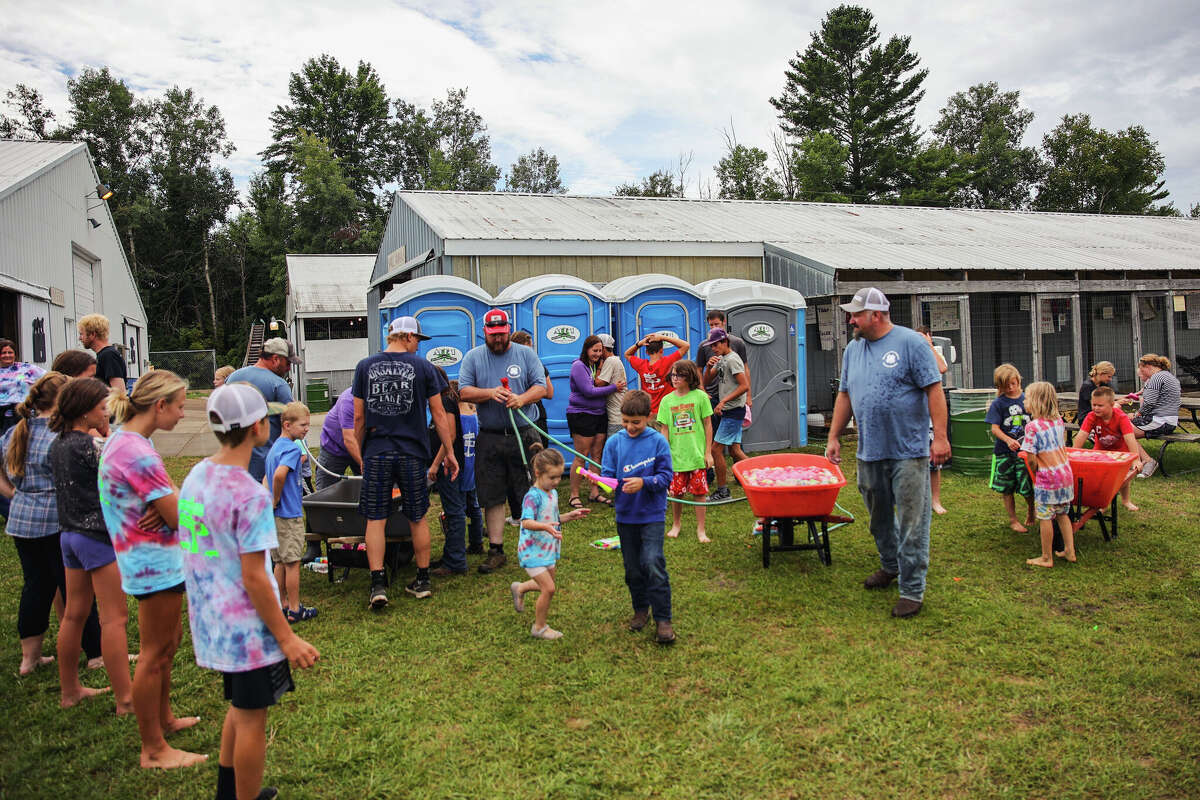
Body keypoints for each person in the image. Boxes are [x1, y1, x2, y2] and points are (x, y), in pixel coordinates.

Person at [178, 383, 319, 800]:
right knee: (252, 718)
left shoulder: (196, 475)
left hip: (211, 620)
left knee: (239, 708)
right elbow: (256, 576)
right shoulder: (251, 495)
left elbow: (192, 545)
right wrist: (286, 636)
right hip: (248, 629)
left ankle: (228, 792)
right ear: (260, 426)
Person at [100, 370, 205, 768]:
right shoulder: (137, 452)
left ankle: (164, 720)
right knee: (153, 652)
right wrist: (182, 504)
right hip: (152, 564)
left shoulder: (127, 441)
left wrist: (172, 503)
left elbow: (169, 507)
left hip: (155, 560)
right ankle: (154, 750)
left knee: (169, 644)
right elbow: (179, 516)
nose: (182, 414)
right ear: (160, 405)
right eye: (179, 406)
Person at [825, 287, 948, 619]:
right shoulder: (853, 349)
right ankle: (890, 564)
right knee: (878, 516)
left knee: (912, 520)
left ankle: (912, 589)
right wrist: (834, 435)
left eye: (856, 314)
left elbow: (934, 391)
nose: (851, 320)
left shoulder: (911, 344)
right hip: (870, 450)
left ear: (875, 315)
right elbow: (846, 394)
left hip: (908, 450)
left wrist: (940, 438)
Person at [0, 371, 102, 675]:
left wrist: (18, 495)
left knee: (36, 587)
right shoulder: (64, 436)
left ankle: (29, 659)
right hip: (59, 521)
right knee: (76, 590)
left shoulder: (15, 432)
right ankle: (96, 653)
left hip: (22, 520)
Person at [353, 317, 457, 608]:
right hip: (412, 453)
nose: (417, 347)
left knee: (375, 518)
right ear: (408, 336)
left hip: (377, 451)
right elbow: (438, 413)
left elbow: (358, 417)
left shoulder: (365, 366)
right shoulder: (423, 367)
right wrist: (449, 451)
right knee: (417, 516)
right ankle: (422, 580)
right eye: (417, 341)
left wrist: (361, 453)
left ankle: (378, 584)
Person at [48, 377, 134, 710]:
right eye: (102, 409)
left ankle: (69, 690)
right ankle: (126, 699)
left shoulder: (59, 443)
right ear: (85, 412)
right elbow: (118, 479)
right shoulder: (89, 445)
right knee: (115, 619)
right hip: (96, 537)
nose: (107, 415)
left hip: (68, 536)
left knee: (73, 615)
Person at [458, 309, 547, 575]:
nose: (498, 339)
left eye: (502, 334)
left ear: (509, 330)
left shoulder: (525, 354)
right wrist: (489, 393)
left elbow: (541, 387)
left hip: (524, 434)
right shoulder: (473, 357)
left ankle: (539, 543)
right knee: (492, 494)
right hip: (491, 436)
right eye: (493, 335)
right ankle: (496, 550)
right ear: (484, 332)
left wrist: (522, 398)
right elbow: (464, 391)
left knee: (531, 490)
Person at [596, 390, 675, 644]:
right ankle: (641, 609)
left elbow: (666, 477)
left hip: (651, 514)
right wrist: (603, 482)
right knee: (632, 569)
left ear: (648, 417)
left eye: (636, 422)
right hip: (626, 516)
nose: (629, 427)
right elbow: (609, 476)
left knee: (653, 562)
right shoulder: (614, 443)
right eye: (625, 421)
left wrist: (644, 482)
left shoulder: (658, 442)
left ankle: (663, 618)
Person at [510, 446, 589, 640]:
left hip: (548, 549)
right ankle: (539, 627)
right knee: (549, 588)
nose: (556, 482)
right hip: (531, 551)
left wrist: (569, 516)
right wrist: (545, 527)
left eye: (559, 477)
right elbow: (526, 521)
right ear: (538, 473)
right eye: (552, 477)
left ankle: (519, 588)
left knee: (546, 584)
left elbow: (552, 518)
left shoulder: (552, 494)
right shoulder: (532, 496)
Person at [265, 401, 316, 622]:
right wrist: (276, 498)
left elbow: (266, 478)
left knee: (280, 562)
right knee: (293, 562)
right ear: (287, 425)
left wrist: (269, 502)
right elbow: (278, 476)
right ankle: (295, 609)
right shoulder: (292, 449)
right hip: (289, 514)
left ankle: (281, 604)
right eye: (303, 425)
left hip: (274, 517)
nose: (307, 429)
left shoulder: (274, 447)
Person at [655, 360, 713, 542]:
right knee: (676, 493)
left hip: (696, 454)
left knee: (699, 493)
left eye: (679, 375)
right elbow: (664, 428)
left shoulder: (700, 397)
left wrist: (708, 452)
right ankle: (676, 524)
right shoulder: (667, 400)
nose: (675, 378)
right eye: (673, 375)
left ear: (689, 377)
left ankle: (701, 529)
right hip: (676, 456)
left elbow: (708, 424)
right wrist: (664, 454)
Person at [225, 338, 299, 482]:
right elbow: (293, 425)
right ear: (276, 359)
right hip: (265, 469)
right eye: (288, 363)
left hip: (233, 465)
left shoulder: (232, 378)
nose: (289, 368)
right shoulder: (279, 385)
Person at [426, 371, 478, 576]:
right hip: (449, 464)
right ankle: (451, 555)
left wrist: (435, 464)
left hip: (448, 465)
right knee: (454, 510)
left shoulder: (445, 401)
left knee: (454, 512)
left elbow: (450, 434)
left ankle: (455, 561)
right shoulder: (444, 399)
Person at [1020, 382, 1076, 567]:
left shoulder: (1032, 427)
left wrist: (1035, 470)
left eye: (1027, 398)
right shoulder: (1058, 421)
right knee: (1062, 515)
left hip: (1048, 479)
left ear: (1036, 401)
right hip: (1065, 476)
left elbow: (1031, 458)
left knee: (1045, 517)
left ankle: (1046, 557)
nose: (1025, 401)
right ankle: (1070, 550)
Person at [566, 335, 624, 510]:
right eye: (594, 350)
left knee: (597, 455)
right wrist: (615, 387)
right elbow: (588, 391)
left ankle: (594, 492)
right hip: (582, 415)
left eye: (600, 351)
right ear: (586, 350)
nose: (598, 354)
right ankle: (574, 495)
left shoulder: (596, 366)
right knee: (581, 455)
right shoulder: (578, 366)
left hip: (600, 414)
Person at [1074, 386, 1143, 511]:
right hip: (1100, 450)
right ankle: (1102, 502)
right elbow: (1081, 436)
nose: (1096, 408)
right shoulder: (1091, 416)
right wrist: (1073, 452)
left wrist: (1136, 459)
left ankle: (1126, 500)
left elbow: (1130, 439)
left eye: (1100, 405)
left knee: (1123, 479)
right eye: (1093, 405)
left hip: (1121, 451)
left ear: (1112, 405)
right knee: (1099, 478)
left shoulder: (1121, 417)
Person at [701, 327, 749, 503]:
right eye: (711, 346)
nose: (713, 348)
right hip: (730, 410)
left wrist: (723, 401)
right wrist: (708, 367)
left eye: (715, 345)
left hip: (733, 410)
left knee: (715, 450)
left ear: (724, 342)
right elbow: (706, 382)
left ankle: (722, 491)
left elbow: (744, 386)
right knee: (735, 450)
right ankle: (757, 478)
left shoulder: (733, 360)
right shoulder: (721, 359)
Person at [986, 364, 1035, 533]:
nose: (1011, 388)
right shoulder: (998, 404)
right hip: (1004, 453)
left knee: (1027, 485)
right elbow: (994, 428)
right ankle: (1013, 520)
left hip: (1026, 452)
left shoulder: (1028, 399)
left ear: (1018, 380)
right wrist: (1007, 440)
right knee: (1006, 488)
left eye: (1013, 383)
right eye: (1006, 386)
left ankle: (1031, 509)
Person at [694, 309, 751, 445]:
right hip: (714, 396)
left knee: (721, 446)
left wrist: (748, 396)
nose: (713, 348)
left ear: (724, 323)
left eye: (717, 324)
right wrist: (703, 389)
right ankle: (741, 466)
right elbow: (700, 371)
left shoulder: (735, 348)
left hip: (732, 402)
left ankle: (722, 464)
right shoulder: (709, 349)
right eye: (711, 325)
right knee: (719, 438)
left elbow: (745, 372)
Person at [1127, 354, 1182, 478]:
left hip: (1159, 420)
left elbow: (1149, 403)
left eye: (1141, 370)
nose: (1141, 374)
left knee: (1122, 430)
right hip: (1168, 421)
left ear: (1147, 366)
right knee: (1121, 429)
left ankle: (1148, 461)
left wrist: (1136, 415)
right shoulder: (1169, 376)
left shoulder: (1156, 378)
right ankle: (1139, 461)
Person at [915, 326, 949, 514]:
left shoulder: (932, 355)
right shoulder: (911, 355)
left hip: (930, 419)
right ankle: (919, 501)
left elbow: (942, 368)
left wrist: (929, 346)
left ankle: (935, 501)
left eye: (923, 338)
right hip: (913, 419)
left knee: (934, 464)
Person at [624, 332, 689, 417]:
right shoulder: (667, 362)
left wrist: (639, 344)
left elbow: (627, 354)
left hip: (649, 413)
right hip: (667, 410)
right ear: (662, 350)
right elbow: (686, 346)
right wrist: (663, 337)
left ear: (647, 352)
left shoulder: (641, 365)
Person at [314, 389, 362, 491]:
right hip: (333, 447)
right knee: (325, 493)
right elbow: (349, 439)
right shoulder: (348, 399)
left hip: (363, 447)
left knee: (374, 488)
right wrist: (364, 464)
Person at [0, 338, 46, 434]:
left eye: (10, 352)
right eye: (3, 353)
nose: (7, 355)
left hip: (22, 412)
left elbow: (50, 379)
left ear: (15, 354)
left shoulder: (27, 369)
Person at [77, 314, 127, 392]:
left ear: (93, 334)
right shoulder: (104, 355)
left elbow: (119, 391)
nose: (79, 338)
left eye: (81, 334)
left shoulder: (109, 355)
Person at [593, 333, 627, 438]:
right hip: (619, 415)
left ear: (603, 348)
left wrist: (599, 367)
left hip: (616, 418)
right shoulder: (616, 360)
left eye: (598, 349)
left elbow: (598, 384)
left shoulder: (609, 361)